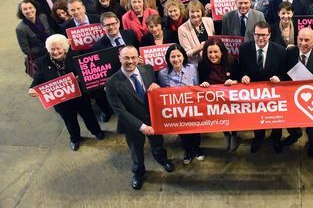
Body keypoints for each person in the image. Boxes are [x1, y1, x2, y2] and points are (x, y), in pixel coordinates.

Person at [105, 46, 174, 190]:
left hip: (153, 119)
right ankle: (138, 172)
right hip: (133, 126)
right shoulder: (112, 83)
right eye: (126, 58)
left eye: (133, 57)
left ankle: (162, 158)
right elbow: (120, 112)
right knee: (136, 151)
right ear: (120, 59)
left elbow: (158, 92)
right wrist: (142, 127)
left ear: (138, 58)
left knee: (158, 142)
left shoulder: (148, 69)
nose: (130, 61)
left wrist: (158, 86)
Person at [28, 34, 104, 151]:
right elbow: (38, 78)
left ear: (65, 48)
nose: (56, 52)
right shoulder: (41, 62)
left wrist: (80, 78)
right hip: (61, 101)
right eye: (52, 49)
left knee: (88, 115)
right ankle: (75, 138)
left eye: (58, 48)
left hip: (80, 96)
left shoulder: (76, 56)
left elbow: (87, 73)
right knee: (69, 120)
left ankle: (96, 131)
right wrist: (32, 88)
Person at [283, 27, 313, 157]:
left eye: (307, 40)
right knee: (290, 121)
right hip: (292, 97)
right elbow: (284, 73)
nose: (303, 43)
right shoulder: (290, 53)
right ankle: (295, 133)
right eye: (300, 39)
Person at [239, 21, 286, 153]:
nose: (261, 38)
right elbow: (240, 69)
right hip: (254, 94)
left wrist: (279, 78)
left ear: (269, 35)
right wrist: (243, 76)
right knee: (257, 118)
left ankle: (276, 138)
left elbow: (285, 72)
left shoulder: (280, 50)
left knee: (276, 119)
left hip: (274, 94)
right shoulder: (244, 49)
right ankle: (259, 137)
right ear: (253, 34)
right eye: (257, 34)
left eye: (264, 35)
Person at [157, 44, 202, 164]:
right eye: (173, 57)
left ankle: (197, 150)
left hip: (192, 108)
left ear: (183, 56)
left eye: (178, 55)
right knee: (183, 134)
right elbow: (162, 93)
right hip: (176, 111)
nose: (176, 59)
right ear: (168, 58)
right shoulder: (162, 74)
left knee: (196, 132)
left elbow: (197, 86)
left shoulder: (192, 68)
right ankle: (188, 152)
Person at [198, 38, 241, 151]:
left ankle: (234, 135)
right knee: (221, 117)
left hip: (230, 97)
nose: (213, 55)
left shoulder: (231, 61)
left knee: (232, 117)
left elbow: (239, 79)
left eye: (216, 52)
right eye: (210, 52)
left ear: (222, 51)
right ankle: (226, 134)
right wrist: (203, 83)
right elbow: (201, 81)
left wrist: (234, 82)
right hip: (214, 99)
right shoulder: (202, 63)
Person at [16, 0, 55, 76]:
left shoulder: (43, 17)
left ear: (35, 8)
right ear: (22, 12)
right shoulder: (20, 29)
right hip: (40, 57)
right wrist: (44, 49)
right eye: (25, 9)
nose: (29, 11)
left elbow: (52, 32)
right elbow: (26, 50)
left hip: (54, 51)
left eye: (30, 8)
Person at [179, 0, 215, 64]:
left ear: (202, 12)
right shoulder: (182, 29)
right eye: (192, 12)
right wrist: (200, 48)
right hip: (197, 63)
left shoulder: (209, 21)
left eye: (198, 11)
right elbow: (187, 53)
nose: (195, 14)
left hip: (213, 58)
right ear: (188, 13)